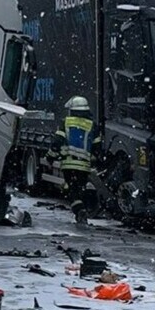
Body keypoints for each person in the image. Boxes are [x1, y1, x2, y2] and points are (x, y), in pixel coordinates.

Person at [51, 95, 101, 224]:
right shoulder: (92, 126)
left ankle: (79, 210)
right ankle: (82, 207)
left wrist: (50, 157)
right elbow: (97, 147)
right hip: (84, 166)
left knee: (72, 190)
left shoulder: (66, 122)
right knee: (79, 188)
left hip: (69, 164)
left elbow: (57, 142)